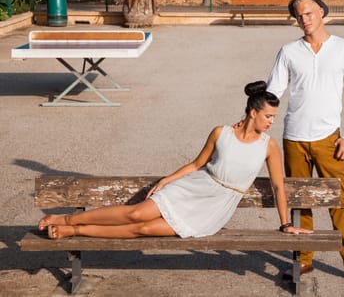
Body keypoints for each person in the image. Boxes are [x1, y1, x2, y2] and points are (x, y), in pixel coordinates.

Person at [38, 81, 313, 240]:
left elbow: (278, 187)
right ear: (253, 112)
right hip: (193, 187)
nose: (271, 122)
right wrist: (166, 181)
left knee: (143, 229)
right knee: (136, 213)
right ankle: (68, 218)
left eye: (274, 117)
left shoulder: (269, 146)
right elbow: (196, 164)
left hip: (214, 207)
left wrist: (285, 224)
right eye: (268, 116)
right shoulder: (222, 132)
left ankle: (74, 232)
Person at [266, 0, 344, 286]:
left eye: (309, 13)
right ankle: (302, 260)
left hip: (330, 138)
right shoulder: (289, 51)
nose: (304, 19)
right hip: (294, 137)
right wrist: (254, 111)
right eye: (299, 16)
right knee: (300, 202)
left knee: (339, 202)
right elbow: (274, 92)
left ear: (322, 13)